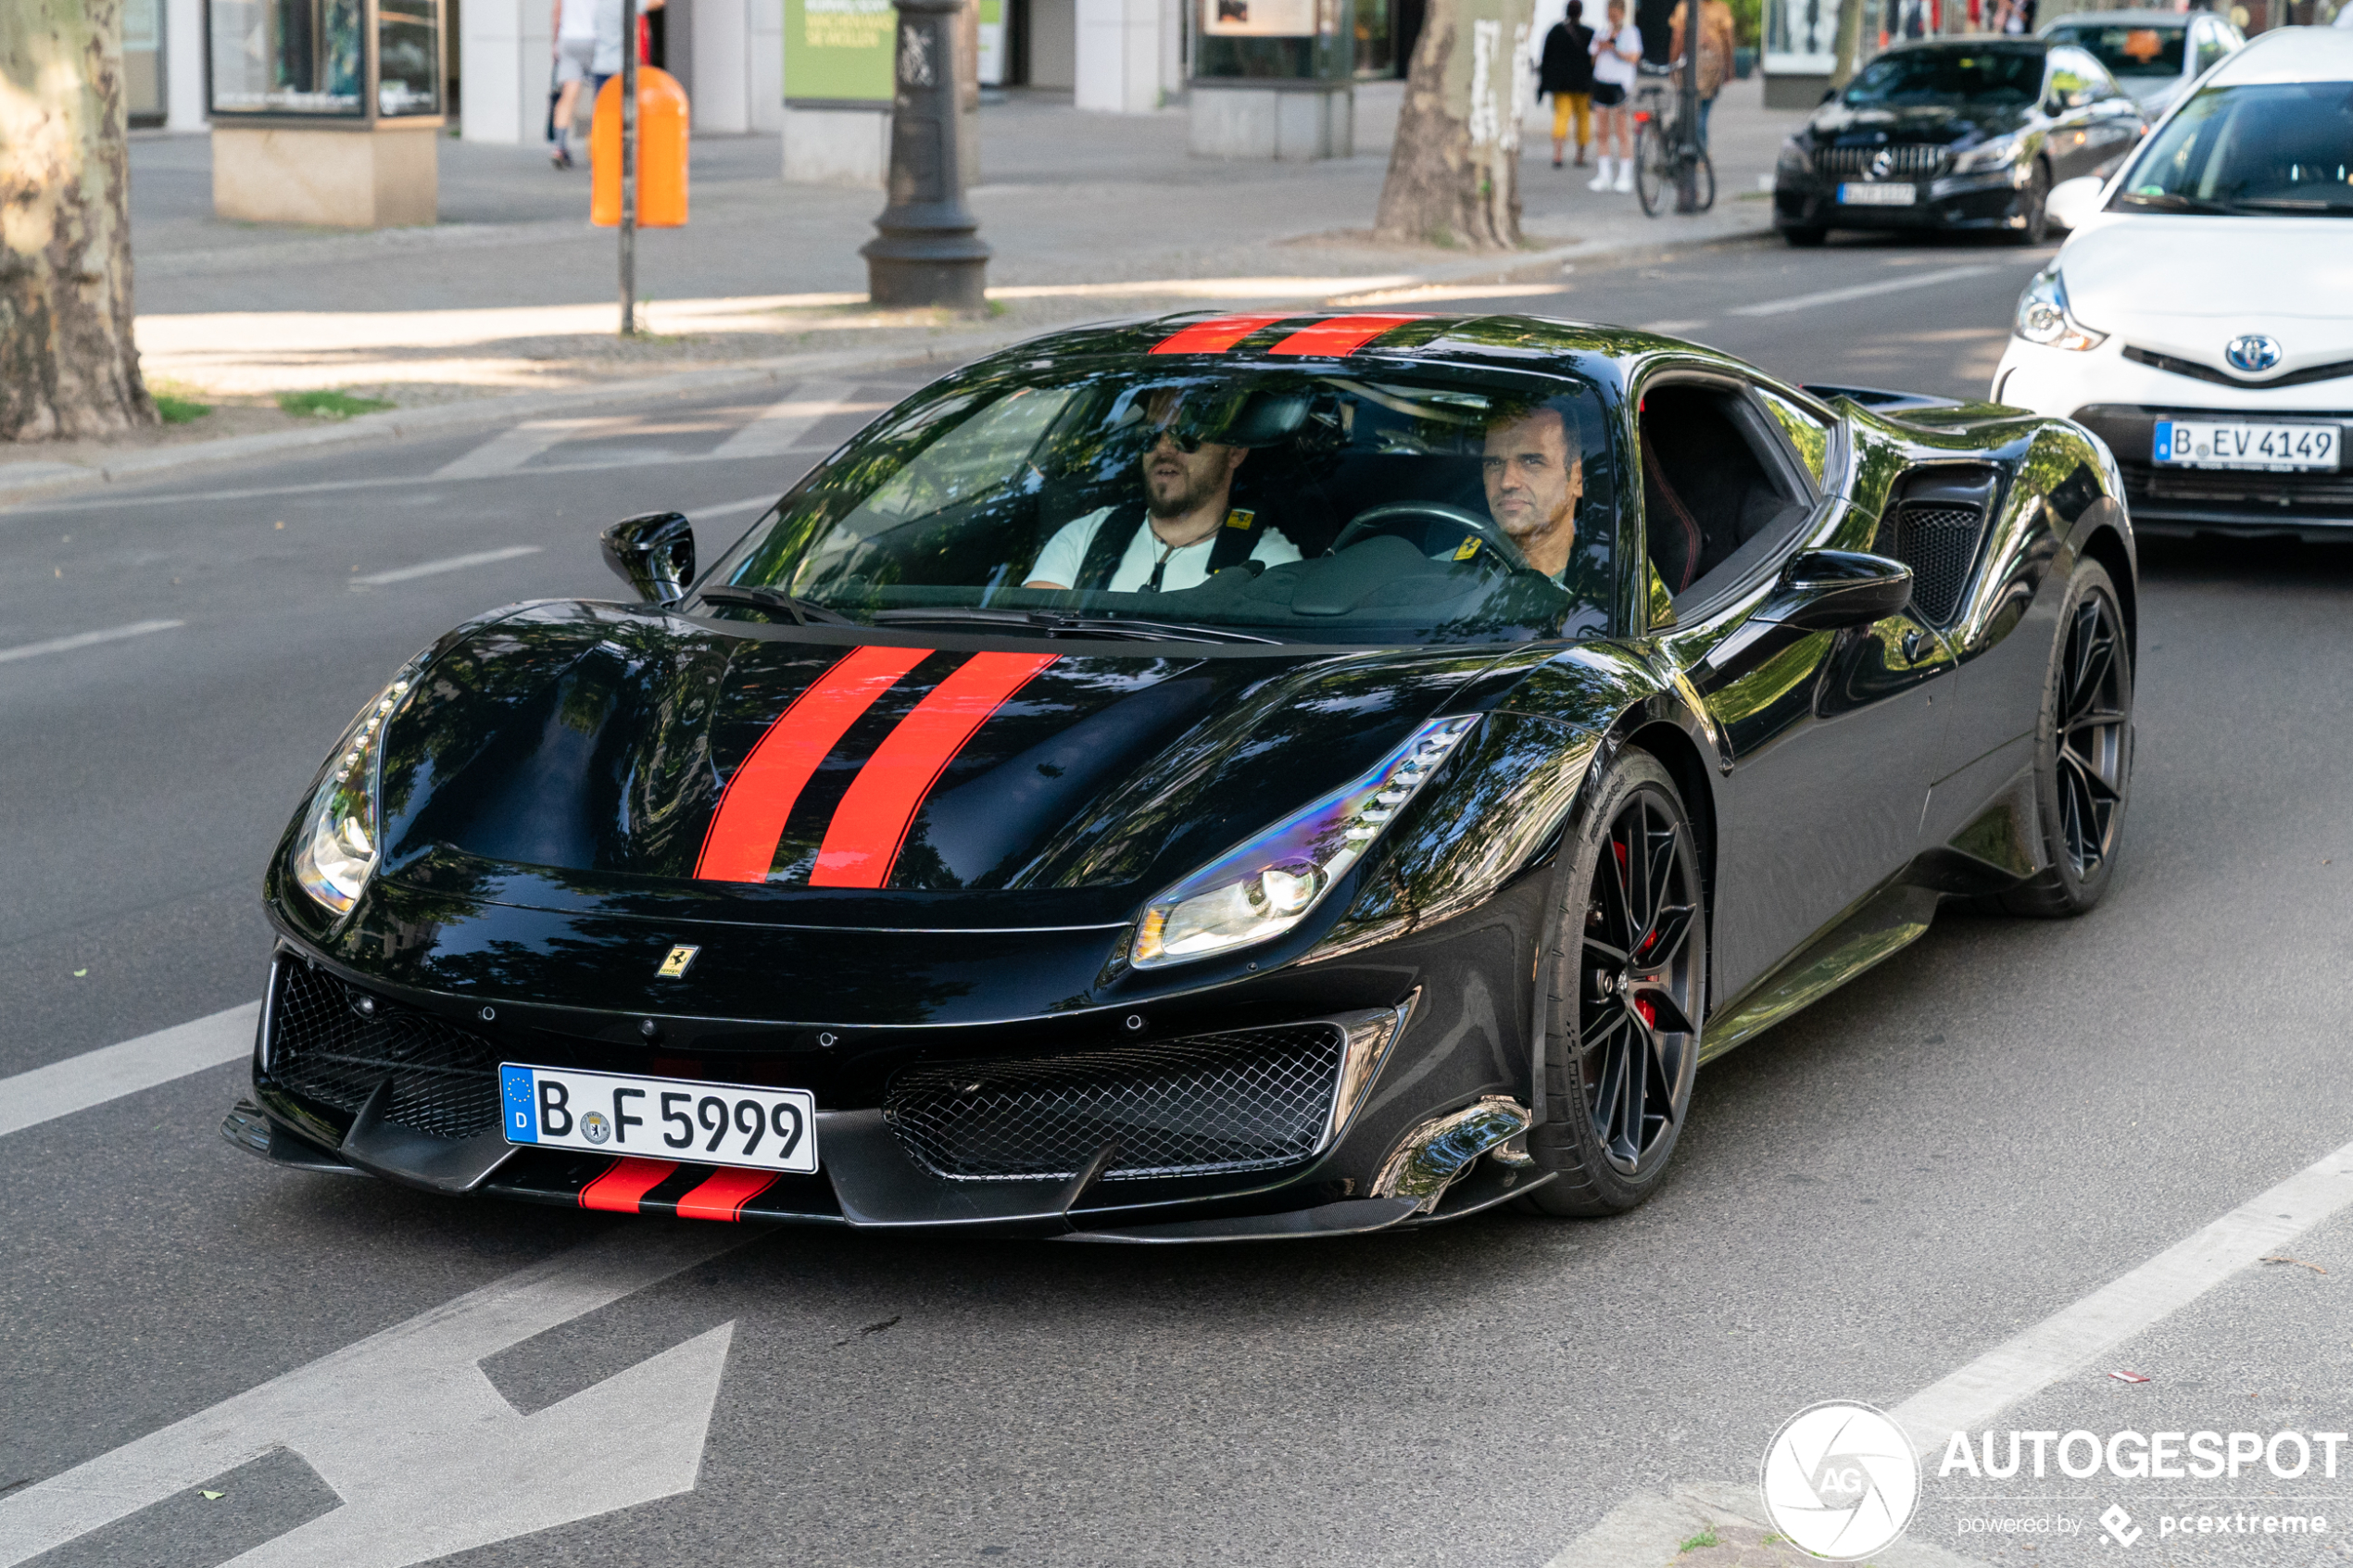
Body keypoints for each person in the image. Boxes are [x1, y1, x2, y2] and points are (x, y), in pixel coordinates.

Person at [1024, 390, 1302, 594]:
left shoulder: (1269, 564)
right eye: (1150, 435)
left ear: (1235, 452)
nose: (1163, 448)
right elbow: (1033, 644)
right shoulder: (1087, 537)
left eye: (1186, 436)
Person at [1482, 404, 1584, 583]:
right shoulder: (1447, 572)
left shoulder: (1613, 585)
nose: (1507, 482)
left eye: (1531, 461)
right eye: (1494, 463)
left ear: (1577, 479)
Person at [1588, 0, 1642, 194]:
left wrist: (1615, 49)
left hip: (1619, 85)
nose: (1611, 16)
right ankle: (1604, 174)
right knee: (1601, 131)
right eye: (1608, 13)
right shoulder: (1601, 32)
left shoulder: (1630, 33)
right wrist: (1601, 47)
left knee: (1621, 131)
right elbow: (1593, 57)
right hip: (1601, 81)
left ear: (1621, 12)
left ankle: (1625, 174)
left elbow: (1634, 57)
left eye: (1614, 13)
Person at [1667, 0, 1737, 146]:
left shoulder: (1684, 8)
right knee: (1703, 112)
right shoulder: (1721, 9)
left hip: (1689, 67)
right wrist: (1729, 68)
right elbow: (1728, 42)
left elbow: (1677, 39)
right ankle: (1700, 151)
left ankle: (1687, 149)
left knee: (1687, 109)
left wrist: (1673, 66)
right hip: (1713, 67)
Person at [1538, 1, 1598, 169]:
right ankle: (1580, 155)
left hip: (1561, 84)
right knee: (1584, 119)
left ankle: (1558, 154)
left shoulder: (1556, 32)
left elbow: (1546, 58)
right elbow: (1594, 61)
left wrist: (1544, 83)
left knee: (1561, 116)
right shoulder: (1589, 33)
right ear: (1580, 13)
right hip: (1583, 84)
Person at [547, 0, 596, 169]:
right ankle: (601, 146)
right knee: (603, 95)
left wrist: (556, 42)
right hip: (595, 39)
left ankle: (559, 148)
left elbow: (557, 12)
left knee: (568, 96)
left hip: (569, 40)